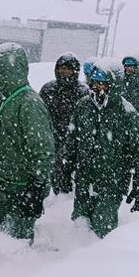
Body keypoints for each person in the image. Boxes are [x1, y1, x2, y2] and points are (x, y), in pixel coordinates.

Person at [60, 63, 139, 238]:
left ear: (113, 85)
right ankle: (74, 262)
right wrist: (66, 166)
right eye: (95, 82)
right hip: (85, 177)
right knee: (80, 223)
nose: (98, 87)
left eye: (103, 83)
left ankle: (101, 260)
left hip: (113, 180)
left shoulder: (126, 112)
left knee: (103, 227)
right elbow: (72, 139)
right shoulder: (83, 106)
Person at [0, 43, 55, 242]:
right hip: (1, 184)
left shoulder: (29, 103)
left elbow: (43, 151)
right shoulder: (9, 98)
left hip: (21, 190)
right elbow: (10, 137)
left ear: (12, 69)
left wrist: (36, 189)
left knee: (13, 245)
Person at [39, 52, 89, 194]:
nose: (65, 72)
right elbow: (40, 114)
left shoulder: (83, 92)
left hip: (73, 139)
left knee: (67, 174)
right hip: (50, 138)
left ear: (75, 71)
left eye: (69, 68)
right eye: (62, 68)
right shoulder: (48, 89)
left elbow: (87, 120)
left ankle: (63, 202)